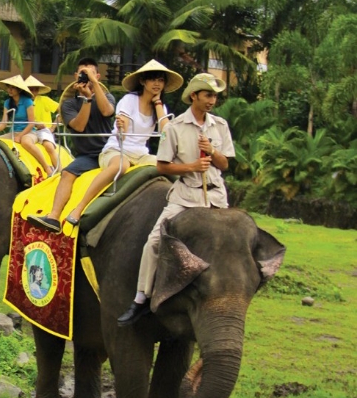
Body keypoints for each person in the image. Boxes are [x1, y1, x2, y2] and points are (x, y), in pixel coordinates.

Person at [117, 72, 235, 326]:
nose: (212, 100)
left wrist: (212, 151)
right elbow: (162, 166)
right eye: (207, 95)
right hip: (185, 196)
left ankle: (231, 297)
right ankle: (140, 298)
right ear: (194, 96)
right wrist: (192, 166)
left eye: (214, 95)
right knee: (154, 243)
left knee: (235, 247)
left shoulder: (220, 126)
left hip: (216, 196)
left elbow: (224, 164)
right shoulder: (175, 128)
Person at [64, 60, 183, 225]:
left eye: (161, 80)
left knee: (169, 166)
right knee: (121, 165)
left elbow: (166, 132)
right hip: (117, 149)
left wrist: (157, 104)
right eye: (153, 79)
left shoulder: (160, 107)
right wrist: (121, 125)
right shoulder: (129, 100)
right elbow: (123, 133)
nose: (157, 84)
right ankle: (79, 208)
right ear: (143, 81)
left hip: (141, 154)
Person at [28, 58, 116, 233]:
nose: (86, 77)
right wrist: (87, 100)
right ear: (76, 76)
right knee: (67, 172)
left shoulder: (107, 97)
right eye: (83, 73)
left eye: (90, 73)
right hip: (87, 156)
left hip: (110, 151)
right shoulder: (68, 104)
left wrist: (94, 87)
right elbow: (79, 126)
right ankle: (54, 216)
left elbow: (107, 111)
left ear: (97, 76)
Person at [0, 75, 55, 175]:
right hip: (14, 132)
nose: (9, 89)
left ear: (19, 89)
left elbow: (31, 123)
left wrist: (20, 135)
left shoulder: (27, 101)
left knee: (26, 142)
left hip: (29, 131)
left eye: (12, 87)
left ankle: (46, 167)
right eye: (8, 87)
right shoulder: (7, 103)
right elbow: (3, 124)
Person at [23, 75, 61, 172]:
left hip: (43, 131)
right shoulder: (21, 101)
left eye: (35, 89)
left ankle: (60, 171)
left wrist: (52, 128)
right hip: (27, 130)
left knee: (49, 147)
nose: (33, 92)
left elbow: (62, 111)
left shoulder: (44, 100)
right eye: (30, 89)